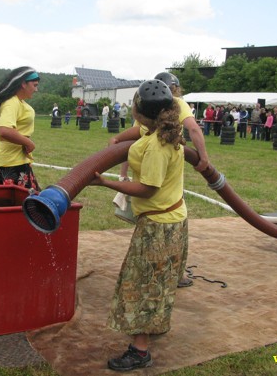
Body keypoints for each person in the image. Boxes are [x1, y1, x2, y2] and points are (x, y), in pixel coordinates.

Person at [90, 79, 187, 372]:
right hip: (173, 221)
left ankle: (140, 351)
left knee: (141, 285)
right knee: (159, 283)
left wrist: (106, 182)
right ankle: (154, 328)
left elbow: (147, 189)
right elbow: (138, 133)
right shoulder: (162, 130)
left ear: (138, 110)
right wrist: (118, 141)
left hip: (158, 227)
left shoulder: (156, 146)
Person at [110, 72, 210, 289]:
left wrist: (204, 160)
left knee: (146, 279)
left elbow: (147, 189)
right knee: (171, 204)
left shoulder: (159, 142)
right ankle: (175, 273)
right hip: (165, 195)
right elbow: (139, 132)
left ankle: (171, 274)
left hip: (157, 205)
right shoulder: (165, 122)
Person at [0, 66, 41, 191]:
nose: (36, 89)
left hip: (18, 162)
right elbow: (4, 130)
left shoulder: (19, 102)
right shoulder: (12, 102)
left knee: (30, 204)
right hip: (11, 165)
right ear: (23, 84)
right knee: (21, 207)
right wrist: (28, 142)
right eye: (34, 85)